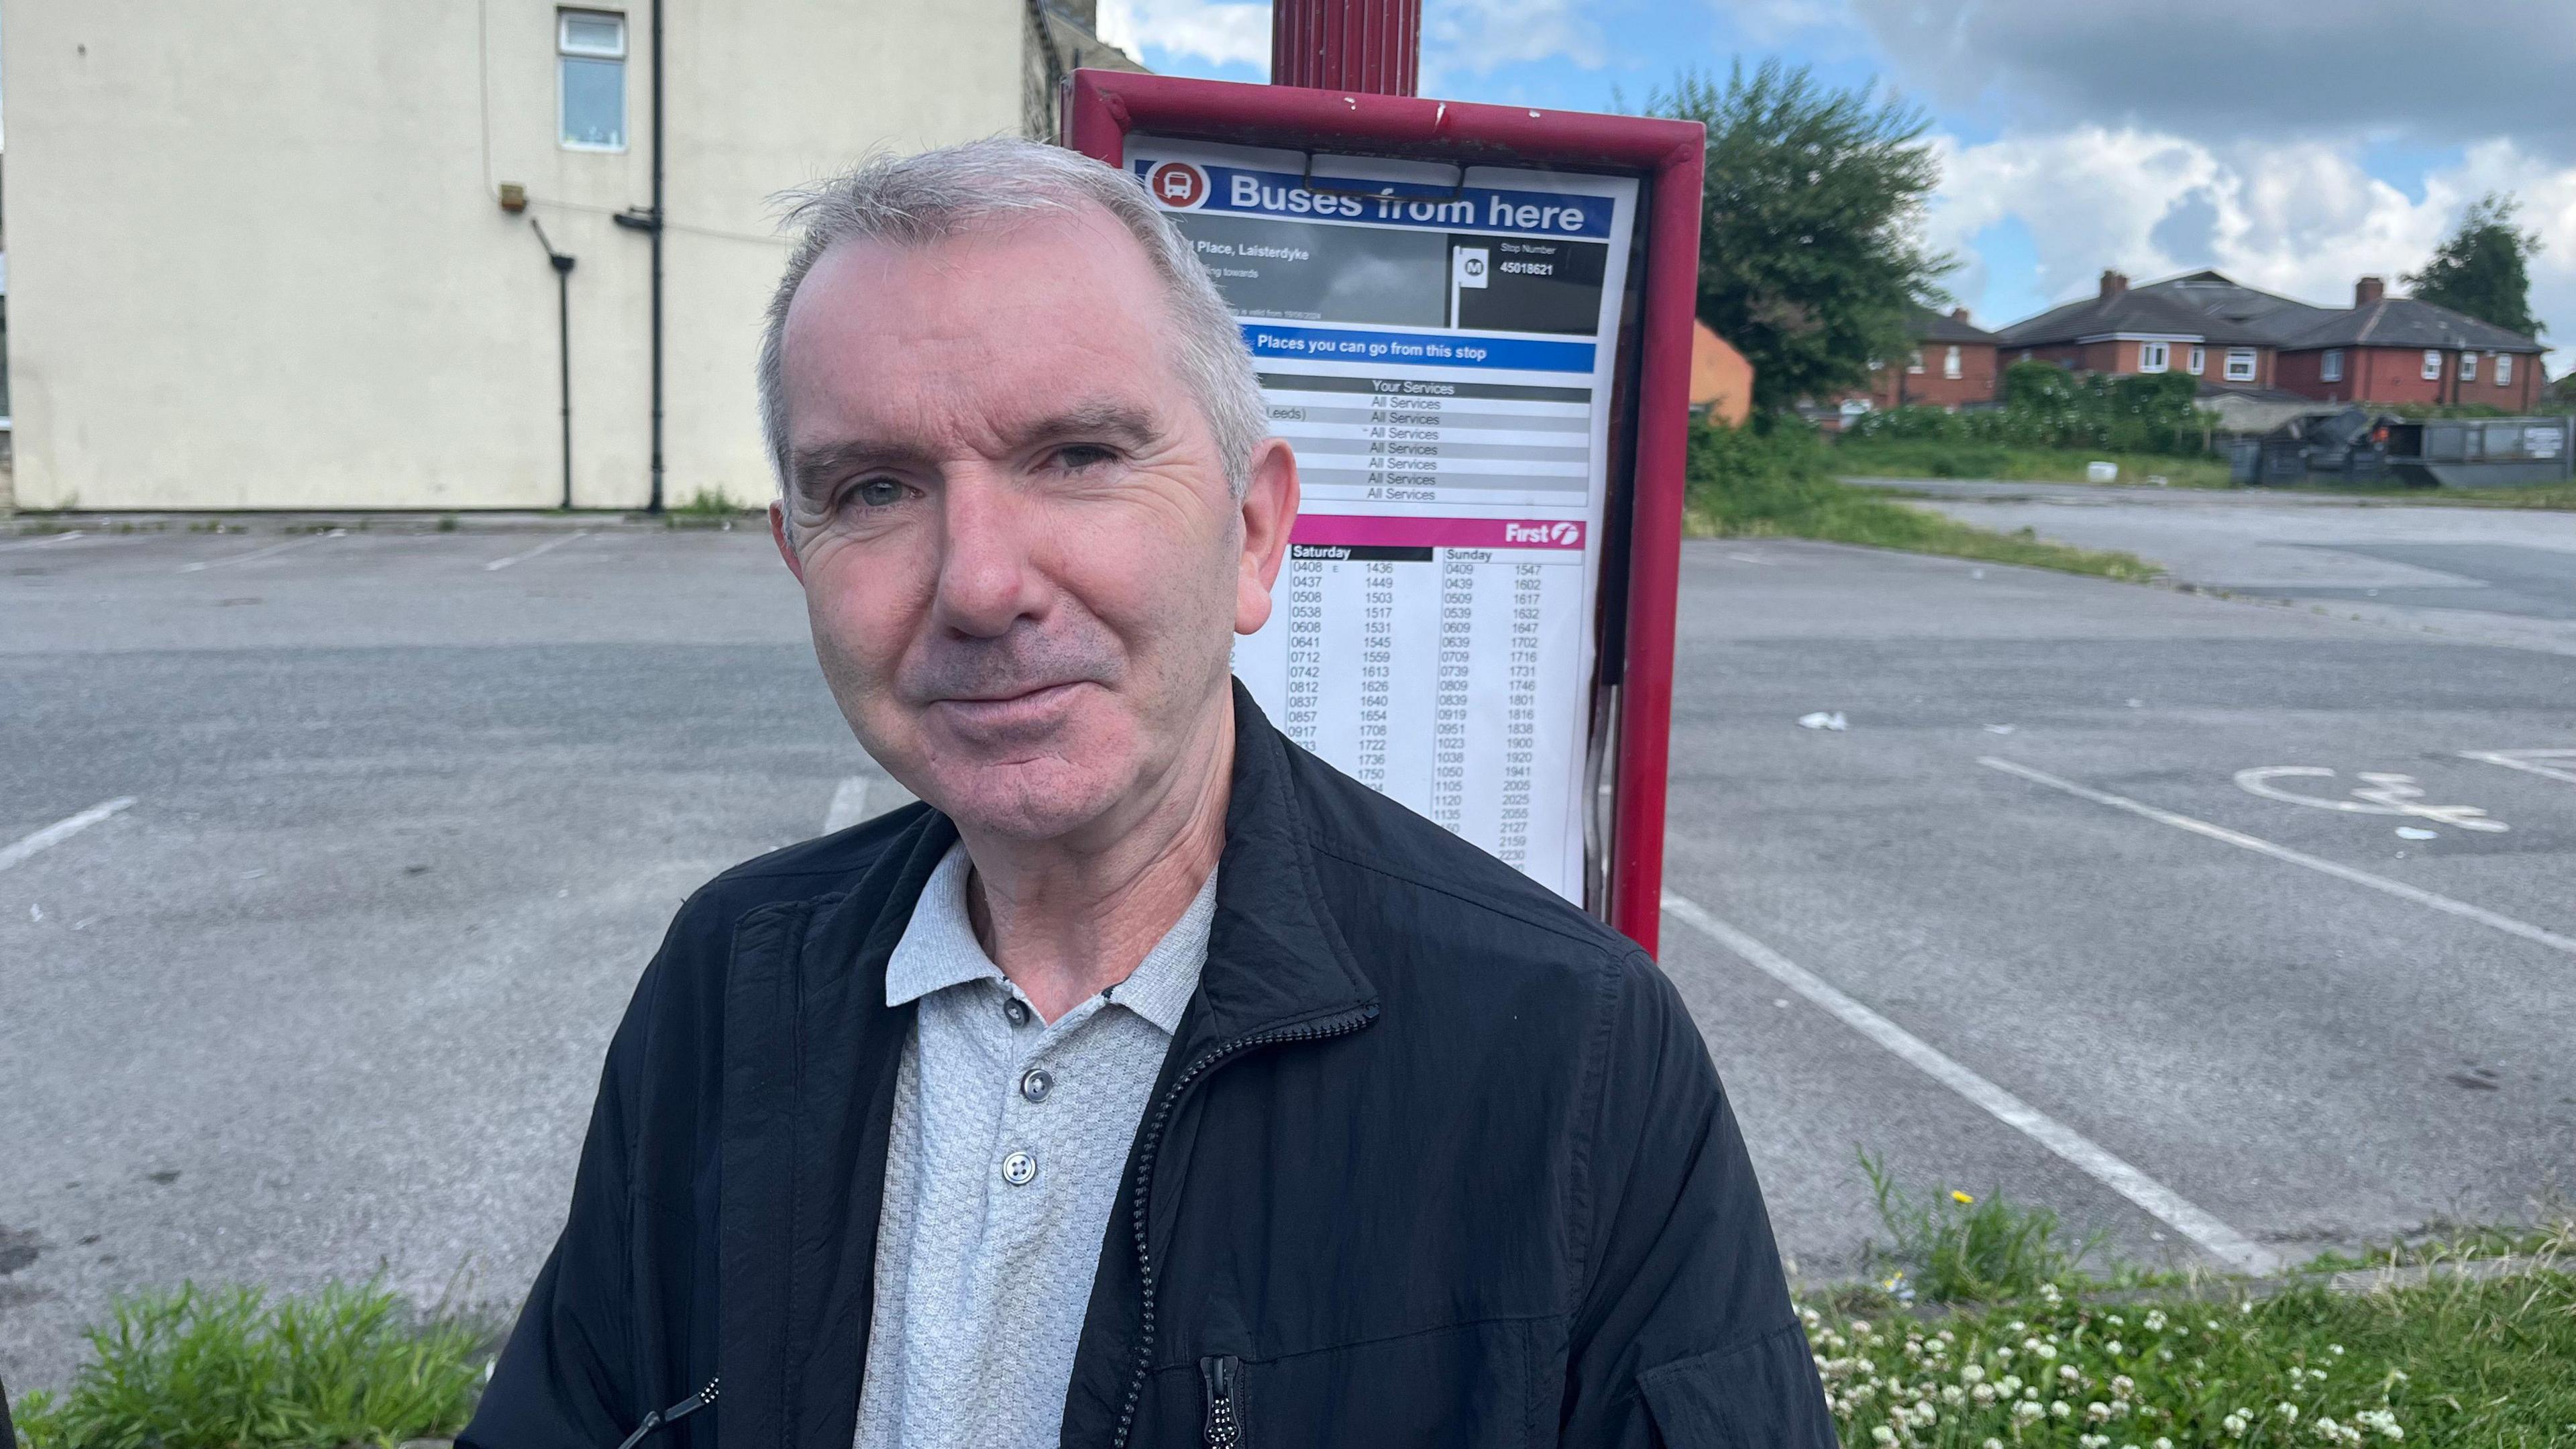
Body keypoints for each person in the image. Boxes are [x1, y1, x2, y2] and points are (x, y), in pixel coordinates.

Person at [461, 138, 1828, 1449]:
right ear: (798, 556)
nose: (981, 583)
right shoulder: (734, 978)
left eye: (1078, 456)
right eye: (873, 488)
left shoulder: (1571, 1055)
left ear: (1253, 531)